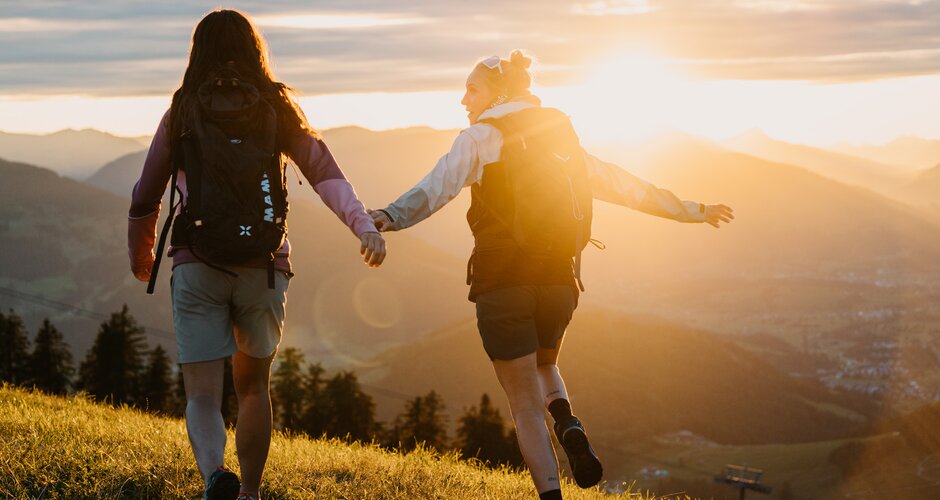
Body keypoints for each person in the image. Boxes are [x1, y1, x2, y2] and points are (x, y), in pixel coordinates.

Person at [370, 50, 733, 499]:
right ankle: (567, 421)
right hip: (561, 282)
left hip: (503, 285)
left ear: (498, 92)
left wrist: (389, 215)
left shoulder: (481, 136)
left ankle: (550, 493)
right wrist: (693, 211)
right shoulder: (559, 137)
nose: (464, 99)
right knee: (546, 364)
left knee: (523, 407)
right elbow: (625, 185)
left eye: (472, 89)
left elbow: (436, 187)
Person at [127, 9, 386, 500]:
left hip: (196, 263)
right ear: (255, 50)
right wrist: (363, 225)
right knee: (252, 389)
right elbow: (324, 171)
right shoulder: (275, 107)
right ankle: (248, 492)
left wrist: (142, 255)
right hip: (264, 269)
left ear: (197, 52)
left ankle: (213, 477)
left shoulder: (182, 111)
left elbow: (146, 194)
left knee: (202, 394)